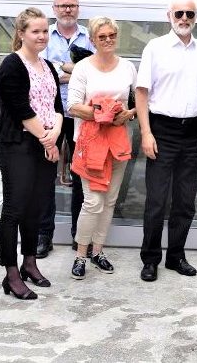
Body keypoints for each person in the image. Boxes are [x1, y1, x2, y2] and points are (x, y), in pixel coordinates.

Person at [135, 0, 197, 281]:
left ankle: (176, 256)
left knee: (185, 200)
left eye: (190, 14)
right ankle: (150, 259)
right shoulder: (155, 48)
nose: (184, 18)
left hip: (194, 131)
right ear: (169, 15)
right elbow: (141, 92)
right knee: (157, 199)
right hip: (162, 130)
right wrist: (146, 132)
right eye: (179, 13)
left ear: (196, 17)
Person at [0, 7, 63, 299]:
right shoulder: (11, 65)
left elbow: (58, 107)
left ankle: (30, 263)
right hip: (19, 146)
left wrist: (56, 133)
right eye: (35, 31)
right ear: (21, 34)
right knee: (15, 209)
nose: (42, 36)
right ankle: (11, 273)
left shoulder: (47, 66)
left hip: (45, 143)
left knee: (36, 209)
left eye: (45, 31)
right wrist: (48, 141)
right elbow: (21, 109)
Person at [66, 17, 137, 280]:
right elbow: (73, 106)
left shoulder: (128, 67)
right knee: (92, 202)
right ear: (93, 39)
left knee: (109, 201)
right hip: (90, 143)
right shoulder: (83, 68)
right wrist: (102, 113)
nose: (108, 40)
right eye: (102, 36)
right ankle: (80, 255)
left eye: (112, 35)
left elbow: (135, 102)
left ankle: (98, 251)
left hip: (117, 143)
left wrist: (127, 114)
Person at [38, 0, 95, 258]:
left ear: (78, 8)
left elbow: (93, 74)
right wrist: (73, 71)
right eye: (62, 5)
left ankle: (79, 235)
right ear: (54, 8)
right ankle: (43, 235)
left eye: (71, 5)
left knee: (81, 174)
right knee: (45, 174)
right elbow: (41, 72)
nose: (67, 10)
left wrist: (61, 69)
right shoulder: (44, 35)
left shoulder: (91, 36)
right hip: (48, 113)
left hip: (80, 114)